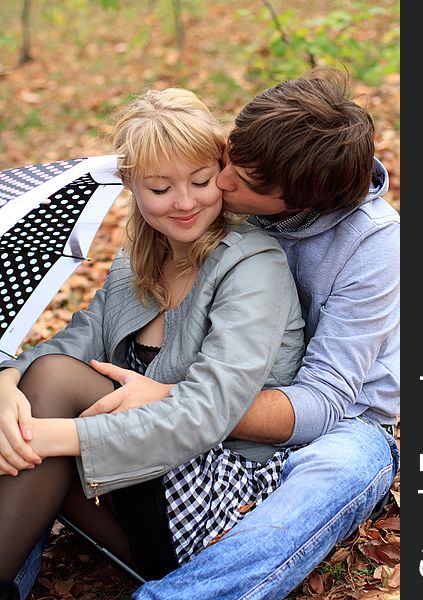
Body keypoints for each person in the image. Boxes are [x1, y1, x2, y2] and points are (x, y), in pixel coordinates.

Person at [85, 66, 399, 600]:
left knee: (346, 468)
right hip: (210, 389)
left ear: (301, 204)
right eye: (232, 155)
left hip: (334, 419)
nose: (221, 182)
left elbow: (325, 401)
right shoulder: (239, 180)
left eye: (246, 183)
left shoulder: (373, 246)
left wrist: (175, 400)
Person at [0, 87, 305, 600]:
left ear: (220, 170)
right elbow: (78, 339)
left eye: (202, 181)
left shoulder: (254, 265)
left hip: (214, 493)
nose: (185, 203)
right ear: (132, 187)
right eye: (161, 189)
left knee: (47, 390)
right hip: (132, 482)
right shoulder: (137, 260)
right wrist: (7, 381)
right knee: (35, 384)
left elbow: (206, 413)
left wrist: (45, 437)